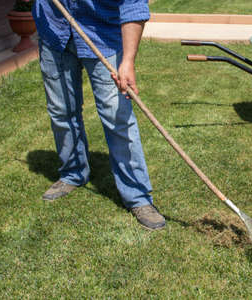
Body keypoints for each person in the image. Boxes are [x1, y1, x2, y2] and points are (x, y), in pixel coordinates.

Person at [32, 0, 165, 230]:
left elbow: (133, 6)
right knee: (61, 111)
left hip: (102, 34)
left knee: (118, 117)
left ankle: (138, 196)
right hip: (55, 30)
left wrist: (128, 61)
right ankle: (72, 173)